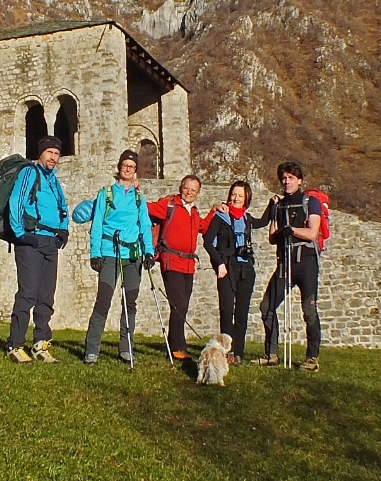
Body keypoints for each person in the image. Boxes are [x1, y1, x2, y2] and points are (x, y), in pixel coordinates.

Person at [82, 150, 155, 365]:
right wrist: (95, 253)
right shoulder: (106, 193)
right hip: (109, 253)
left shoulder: (140, 198)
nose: (128, 169)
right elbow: (96, 224)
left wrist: (148, 251)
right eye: (125, 165)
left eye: (132, 166)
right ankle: (92, 350)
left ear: (135, 171)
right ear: (119, 167)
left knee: (130, 303)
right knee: (103, 302)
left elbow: (145, 226)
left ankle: (126, 348)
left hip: (132, 256)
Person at [253, 161, 323, 371]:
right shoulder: (279, 205)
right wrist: (279, 229)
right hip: (285, 262)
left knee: (309, 311)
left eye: (291, 177)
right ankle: (271, 354)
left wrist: (290, 230)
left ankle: (312, 358)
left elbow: (312, 233)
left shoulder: (311, 202)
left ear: (299, 181)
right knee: (267, 307)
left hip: (306, 263)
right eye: (284, 178)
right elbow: (272, 238)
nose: (286, 181)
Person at [6, 136, 69, 364]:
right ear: (41, 153)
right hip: (30, 242)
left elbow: (63, 207)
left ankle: (40, 344)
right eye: (50, 152)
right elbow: (16, 202)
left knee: (46, 296)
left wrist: (64, 231)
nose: (53, 157)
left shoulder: (54, 181)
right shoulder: (29, 173)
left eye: (57, 154)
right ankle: (15, 345)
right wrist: (21, 234)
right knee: (28, 293)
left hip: (50, 243)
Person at [148, 175, 211, 361]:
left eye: (193, 190)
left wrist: (215, 210)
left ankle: (174, 343)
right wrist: (134, 191)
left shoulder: (194, 212)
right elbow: (145, 207)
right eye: (186, 188)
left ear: (198, 193)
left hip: (188, 265)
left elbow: (203, 227)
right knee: (179, 304)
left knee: (182, 306)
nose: (189, 192)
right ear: (180, 187)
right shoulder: (169, 204)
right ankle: (177, 347)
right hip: (171, 260)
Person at [203, 181, 265, 365]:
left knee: (241, 313)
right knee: (226, 310)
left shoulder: (247, 219)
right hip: (226, 269)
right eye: (233, 194)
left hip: (246, 270)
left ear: (246, 198)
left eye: (240, 195)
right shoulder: (221, 216)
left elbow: (264, 221)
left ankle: (238, 353)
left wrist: (273, 205)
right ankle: (225, 352)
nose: (236, 198)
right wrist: (219, 263)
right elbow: (207, 242)